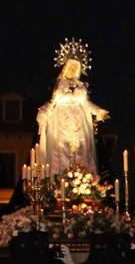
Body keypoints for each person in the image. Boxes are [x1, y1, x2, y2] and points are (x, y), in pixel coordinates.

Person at [32, 39, 108, 176]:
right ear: (65, 67)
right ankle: (61, 179)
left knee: (81, 150)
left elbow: (86, 103)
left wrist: (98, 111)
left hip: (79, 123)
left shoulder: (81, 86)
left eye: (75, 67)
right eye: (71, 67)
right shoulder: (60, 85)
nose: (73, 70)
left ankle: (81, 180)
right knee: (62, 150)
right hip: (62, 122)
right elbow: (53, 101)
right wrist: (44, 113)